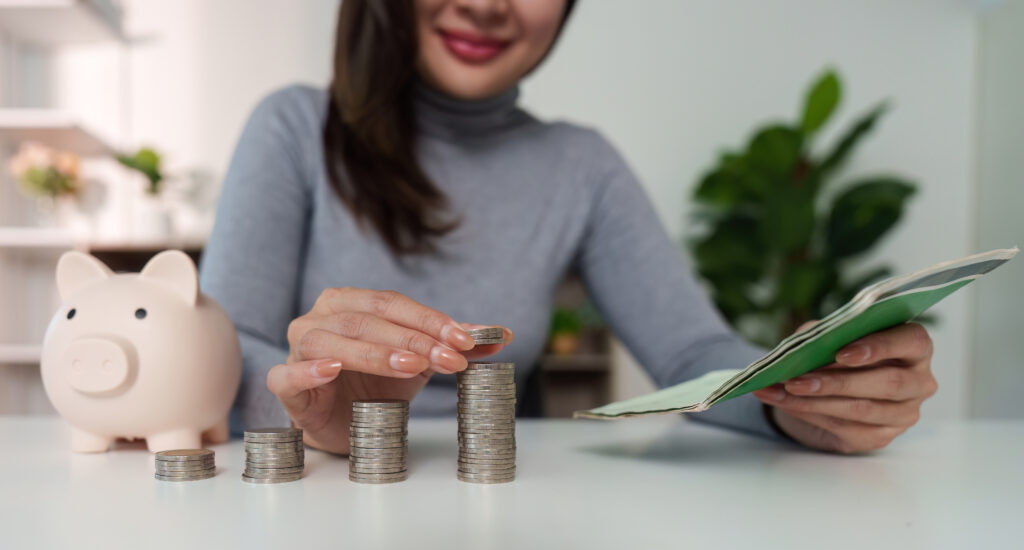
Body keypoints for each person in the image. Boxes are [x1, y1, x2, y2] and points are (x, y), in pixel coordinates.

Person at [199, 0, 937, 456]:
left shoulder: (580, 163)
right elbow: (213, 357)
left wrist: (798, 407)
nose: (488, 4)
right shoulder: (294, 127)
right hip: (309, 499)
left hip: (494, 511)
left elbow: (693, 352)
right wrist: (322, 417)